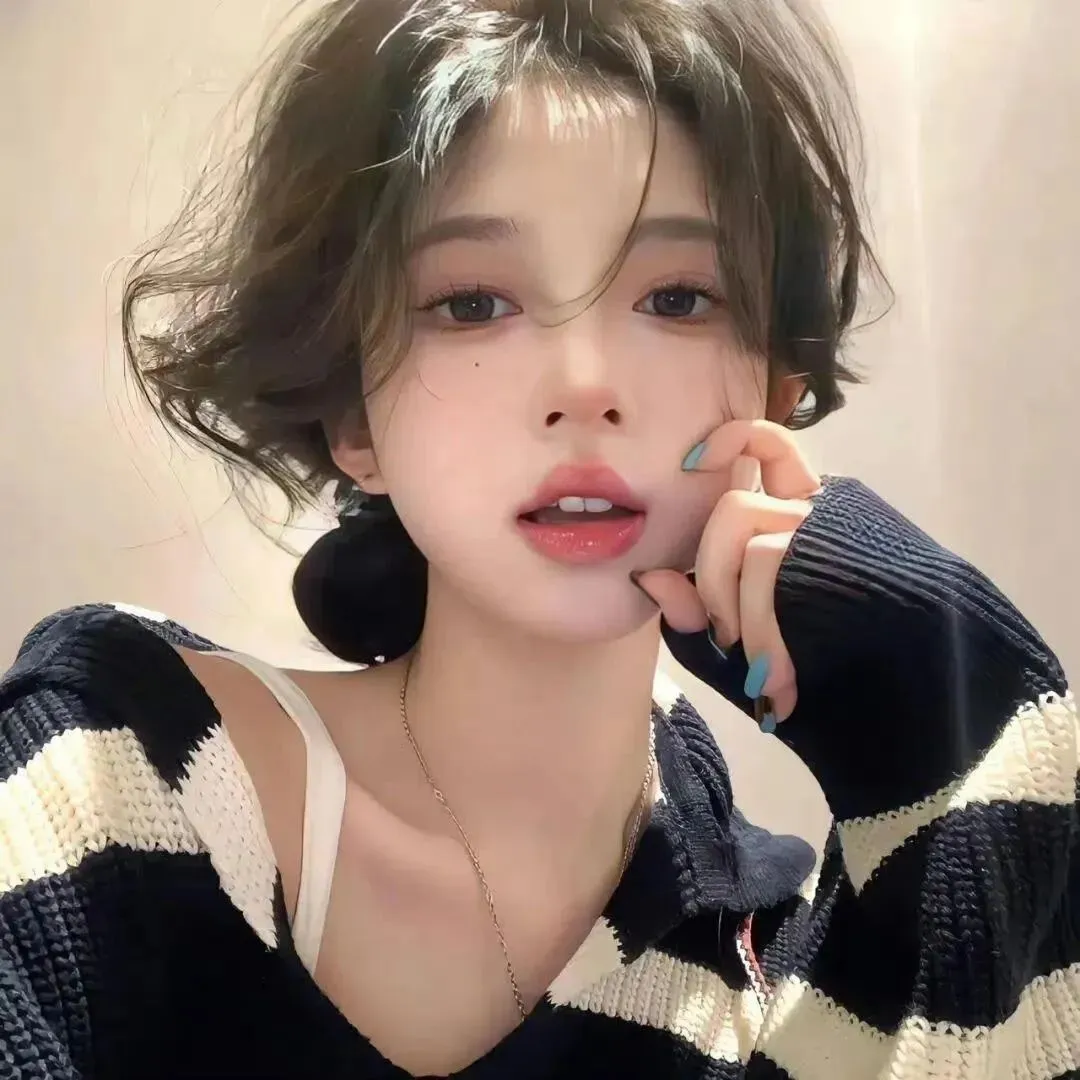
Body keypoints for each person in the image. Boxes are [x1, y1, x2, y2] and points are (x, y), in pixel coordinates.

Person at [1, 0, 1076, 1076]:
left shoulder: (761, 963)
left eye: (677, 297)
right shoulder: (125, 770)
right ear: (354, 420)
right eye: (472, 303)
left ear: (777, 389)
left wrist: (953, 691)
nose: (585, 385)